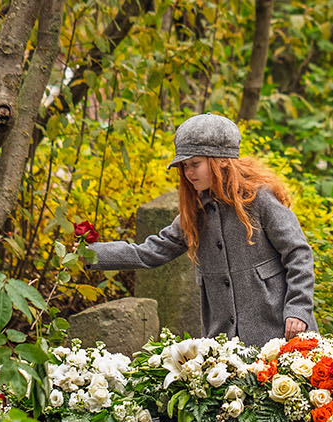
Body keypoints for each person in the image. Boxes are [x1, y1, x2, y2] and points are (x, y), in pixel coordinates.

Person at [89, 113, 316, 347]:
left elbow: (298, 253)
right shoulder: (196, 213)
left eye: (195, 164)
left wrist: (298, 308)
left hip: (280, 332)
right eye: (185, 166)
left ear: (222, 161)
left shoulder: (259, 199)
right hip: (225, 344)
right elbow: (150, 251)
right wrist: (89, 254)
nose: (189, 173)